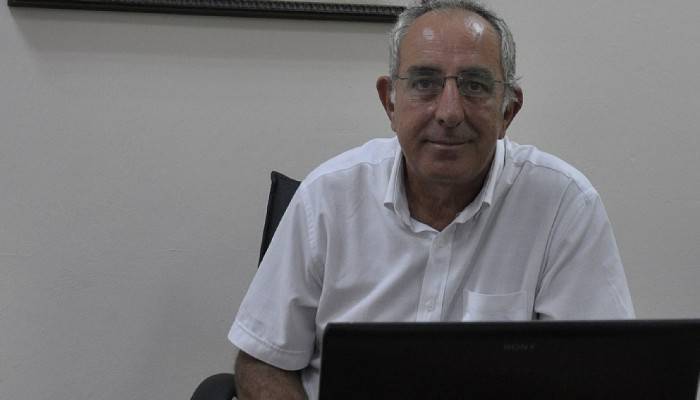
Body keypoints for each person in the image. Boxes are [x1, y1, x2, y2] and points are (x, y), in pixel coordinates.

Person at [228, 0, 635, 398]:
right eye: (425, 83)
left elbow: (601, 376)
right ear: (390, 101)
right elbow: (262, 360)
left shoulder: (564, 206)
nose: (449, 112)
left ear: (508, 111)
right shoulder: (327, 197)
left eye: (475, 85)